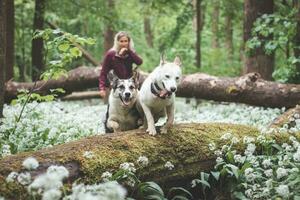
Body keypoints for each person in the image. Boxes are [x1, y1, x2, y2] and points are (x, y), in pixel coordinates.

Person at [99, 31, 143, 99]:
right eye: (121, 41)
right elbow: (103, 72)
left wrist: (129, 51)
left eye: (126, 41)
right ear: (117, 42)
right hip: (117, 85)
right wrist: (102, 88)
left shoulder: (131, 53)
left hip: (130, 84)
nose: (124, 43)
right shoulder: (111, 54)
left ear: (129, 42)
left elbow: (139, 62)